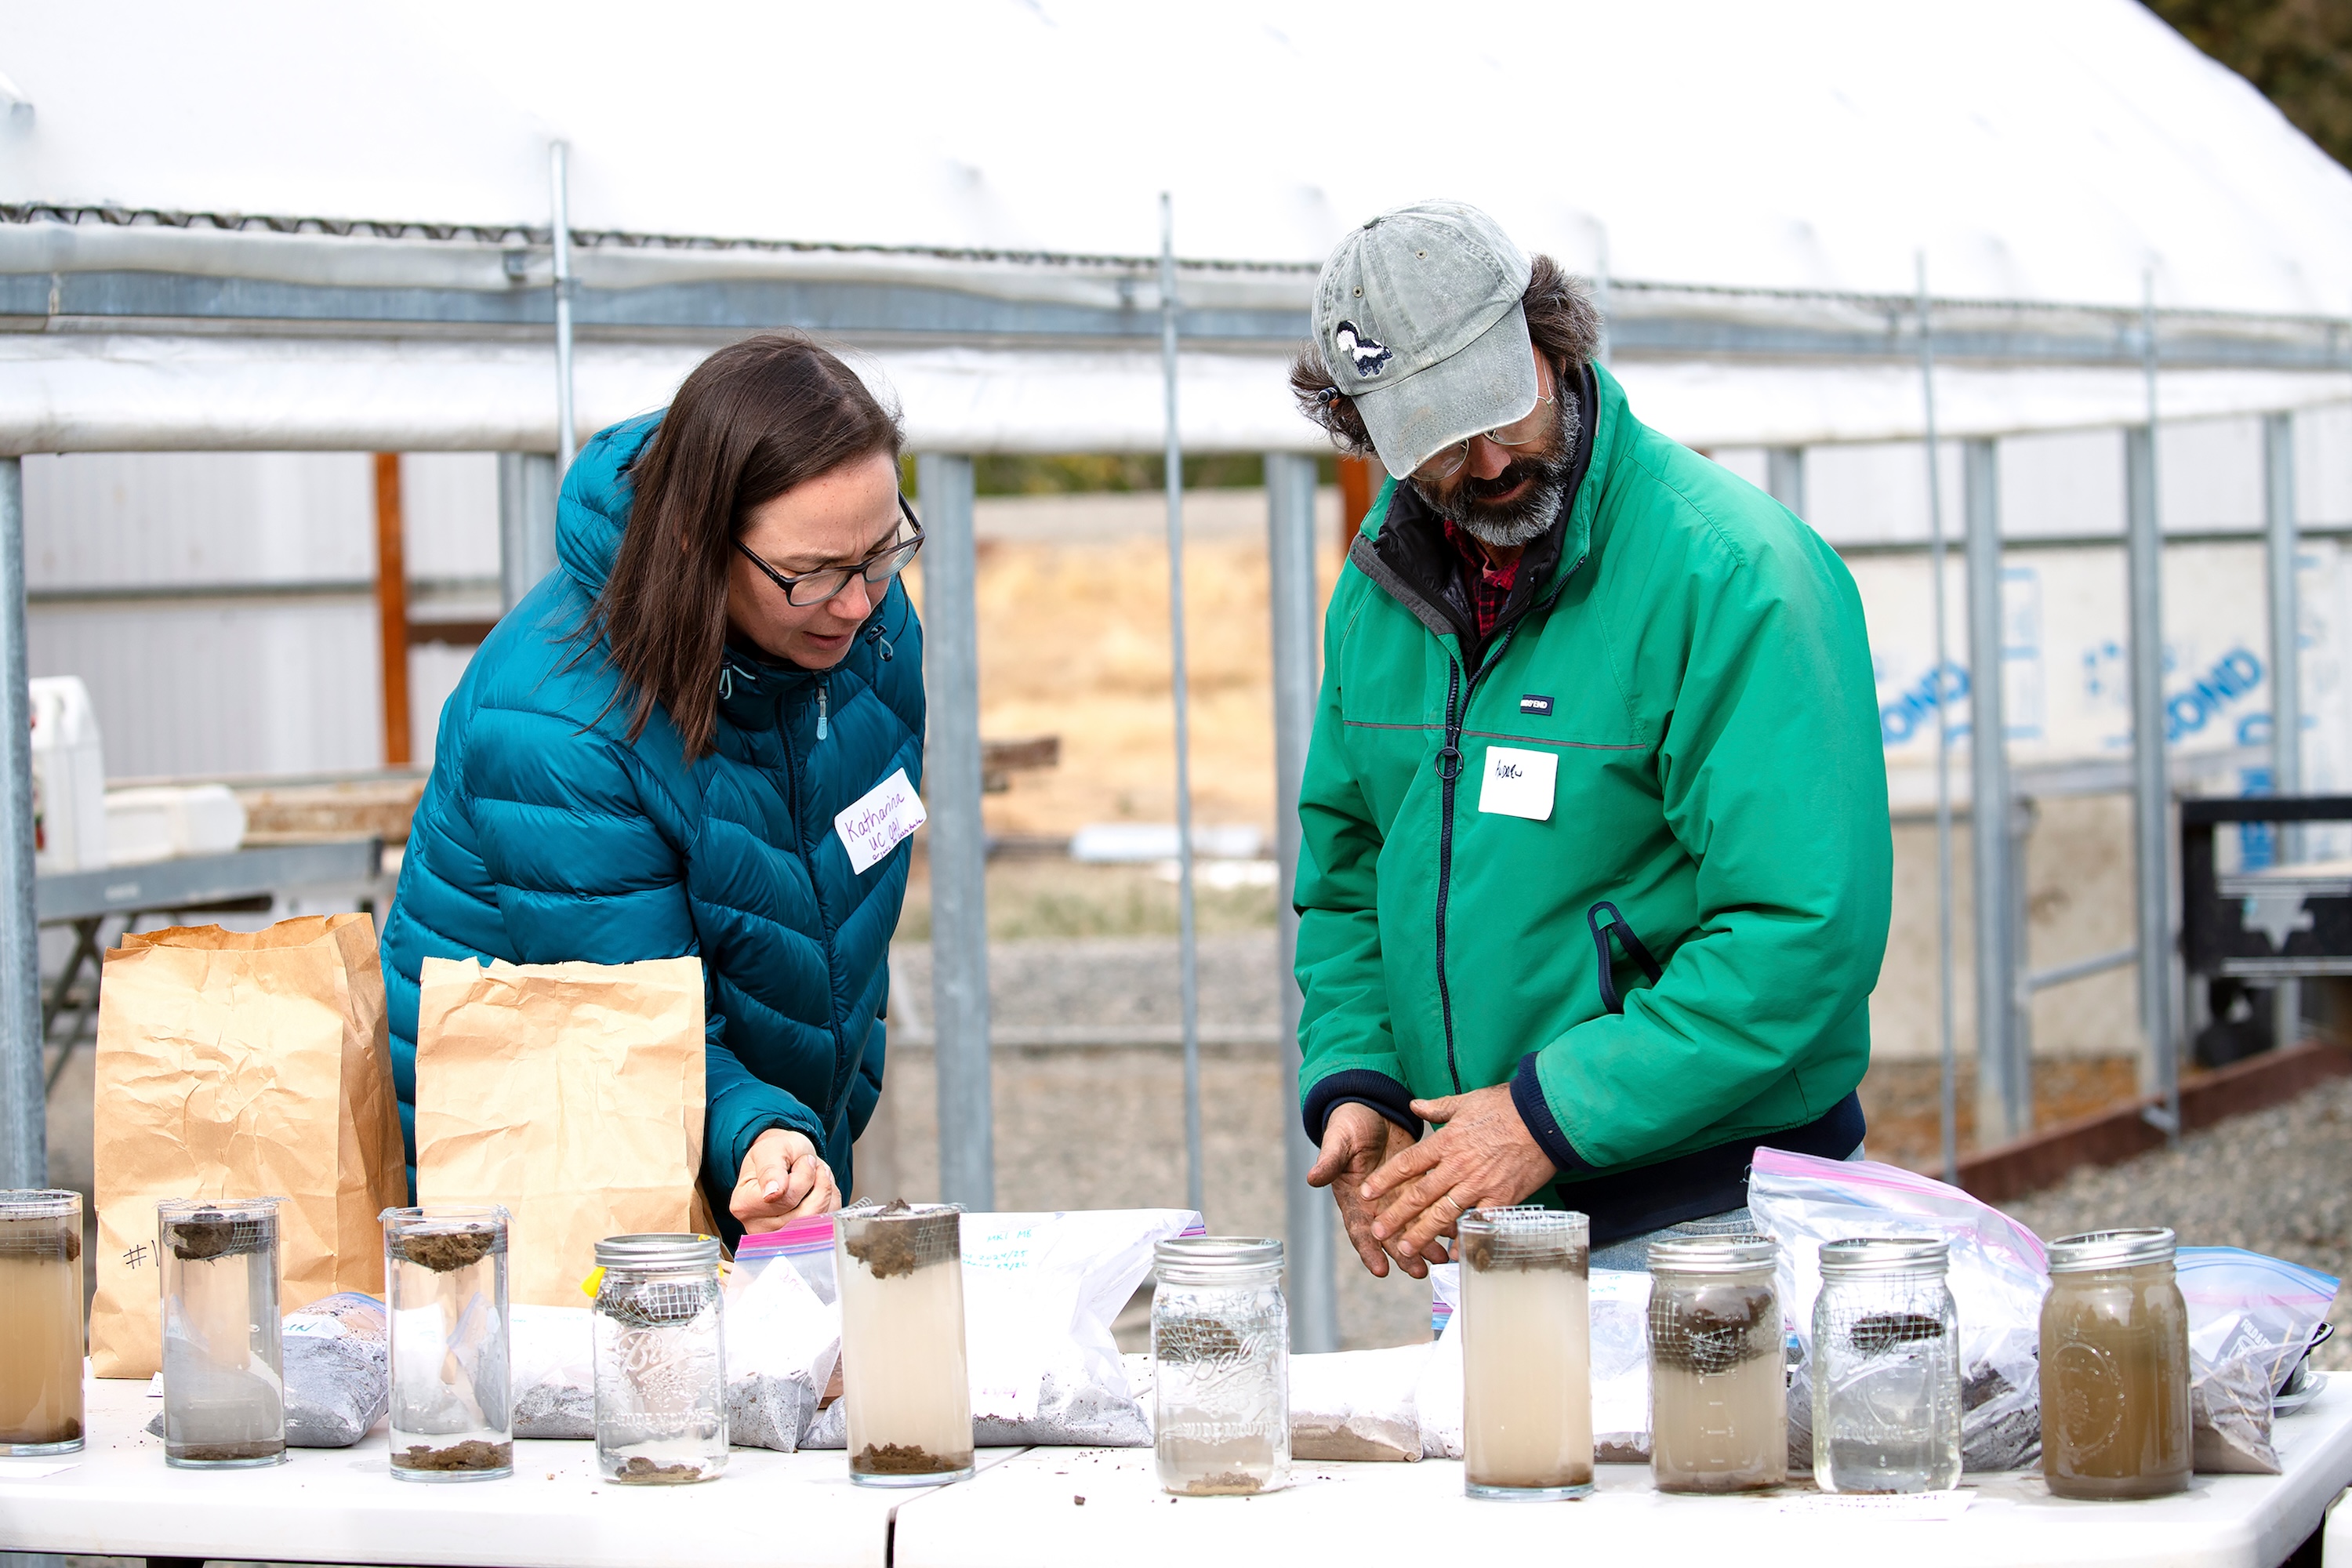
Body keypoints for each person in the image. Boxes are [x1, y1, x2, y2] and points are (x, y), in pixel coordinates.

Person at [1286, 201, 1892, 1276]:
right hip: (1495, 1210)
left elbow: (1802, 929)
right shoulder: (1380, 594)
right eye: (1432, 437)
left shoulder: (1735, 576)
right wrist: (1362, 1078)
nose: (1482, 460)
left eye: (1498, 407)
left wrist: (1544, 1116)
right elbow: (1350, 873)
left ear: (1551, 340)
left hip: (1719, 1215)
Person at [380, 332, 924, 1237]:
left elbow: (855, 867)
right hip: (555, 1178)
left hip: (760, 1148)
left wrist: (805, 1117)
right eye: (813, 574)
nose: (860, 602)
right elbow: (627, 1018)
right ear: (697, 542)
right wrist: (758, 1127)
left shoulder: (865, 633)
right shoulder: (559, 723)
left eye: (881, 551)